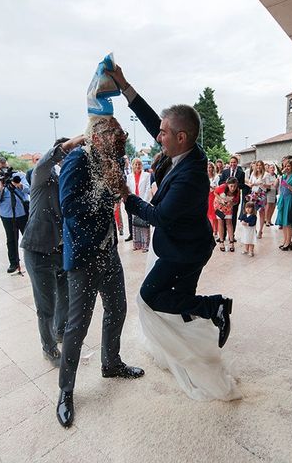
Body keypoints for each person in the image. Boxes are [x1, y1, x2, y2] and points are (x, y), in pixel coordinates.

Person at [110, 65, 237, 402]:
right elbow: (157, 121)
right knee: (179, 307)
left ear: (180, 137)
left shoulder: (191, 174)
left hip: (184, 250)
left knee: (150, 297)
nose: (158, 136)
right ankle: (193, 356)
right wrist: (125, 87)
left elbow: (160, 217)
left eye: (164, 133)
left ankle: (216, 307)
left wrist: (127, 196)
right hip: (188, 245)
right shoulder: (186, 148)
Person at [56, 117, 144, 428]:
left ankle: (111, 363)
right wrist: (105, 195)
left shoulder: (115, 159)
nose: (122, 137)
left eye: (122, 132)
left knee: (118, 308)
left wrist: (119, 191)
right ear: (97, 137)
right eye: (115, 133)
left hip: (108, 251)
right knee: (77, 326)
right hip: (82, 257)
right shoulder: (77, 160)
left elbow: (118, 195)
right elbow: (66, 206)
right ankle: (66, 391)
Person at [22, 136, 83, 365]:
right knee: (46, 305)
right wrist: (75, 142)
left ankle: (60, 332)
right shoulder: (42, 176)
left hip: (61, 250)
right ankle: (48, 347)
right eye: (71, 152)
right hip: (38, 250)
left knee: (64, 298)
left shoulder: (68, 178)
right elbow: (47, 160)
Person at [0, 158, 30, 273]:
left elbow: (29, 190)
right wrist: (0, 187)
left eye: (6, 166)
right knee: (11, 239)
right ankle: (14, 263)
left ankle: (31, 260)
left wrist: (19, 185)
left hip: (22, 212)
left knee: (28, 237)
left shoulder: (19, 176)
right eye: (2, 167)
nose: (5, 169)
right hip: (7, 215)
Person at [275, 159, 292, 251]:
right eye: (285, 166)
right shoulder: (284, 176)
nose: (287, 168)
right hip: (283, 199)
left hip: (290, 200)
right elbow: (276, 186)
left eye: (289, 166)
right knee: (283, 223)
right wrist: (279, 176)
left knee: (288, 222)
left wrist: (288, 186)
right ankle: (286, 241)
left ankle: (288, 242)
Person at [126, 157, 152, 251]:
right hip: (133, 202)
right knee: (135, 224)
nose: (137, 166)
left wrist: (143, 201)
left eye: (139, 164)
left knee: (144, 224)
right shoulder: (129, 176)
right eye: (135, 164)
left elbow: (147, 189)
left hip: (143, 201)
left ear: (142, 165)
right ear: (132, 166)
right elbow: (128, 190)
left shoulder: (147, 175)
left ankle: (146, 245)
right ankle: (137, 245)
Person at [218, 155, 246, 231]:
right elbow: (220, 182)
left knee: (233, 216)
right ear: (229, 163)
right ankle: (223, 236)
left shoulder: (241, 173)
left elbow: (243, 185)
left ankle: (232, 235)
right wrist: (228, 183)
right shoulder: (225, 172)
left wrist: (235, 184)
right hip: (224, 197)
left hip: (235, 198)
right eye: (231, 162)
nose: (233, 164)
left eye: (234, 162)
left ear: (237, 163)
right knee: (222, 216)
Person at [214, 177, 240, 252]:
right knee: (221, 222)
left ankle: (231, 242)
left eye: (234, 186)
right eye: (231, 186)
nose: (233, 188)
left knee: (229, 223)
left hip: (228, 206)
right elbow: (215, 192)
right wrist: (221, 200)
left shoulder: (237, 191)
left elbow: (236, 201)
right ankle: (221, 242)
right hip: (218, 205)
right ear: (227, 185)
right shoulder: (222, 187)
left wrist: (231, 203)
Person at [248, 160, 269, 237]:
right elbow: (249, 183)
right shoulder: (253, 174)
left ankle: (260, 231)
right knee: (253, 212)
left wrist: (263, 184)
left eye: (260, 165)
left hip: (262, 194)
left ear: (262, 166)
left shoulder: (266, 174)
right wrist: (253, 184)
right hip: (253, 194)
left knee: (261, 212)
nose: (259, 167)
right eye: (257, 165)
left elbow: (269, 186)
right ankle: (254, 229)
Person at [207, 161, 218, 236]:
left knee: (214, 213)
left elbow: (217, 187)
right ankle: (209, 229)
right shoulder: (205, 176)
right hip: (207, 195)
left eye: (211, 167)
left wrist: (211, 187)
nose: (209, 169)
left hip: (213, 195)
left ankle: (215, 230)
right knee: (208, 213)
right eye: (208, 167)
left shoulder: (216, 177)